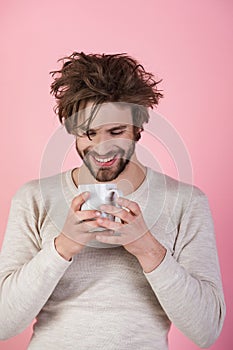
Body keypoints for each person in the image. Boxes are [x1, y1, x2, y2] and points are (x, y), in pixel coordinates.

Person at [0, 52, 225, 349]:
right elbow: (4, 323)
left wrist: (149, 250)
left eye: (116, 131)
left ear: (138, 128)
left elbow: (207, 330)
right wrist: (62, 247)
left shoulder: (186, 202)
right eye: (89, 133)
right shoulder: (35, 199)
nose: (101, 148)